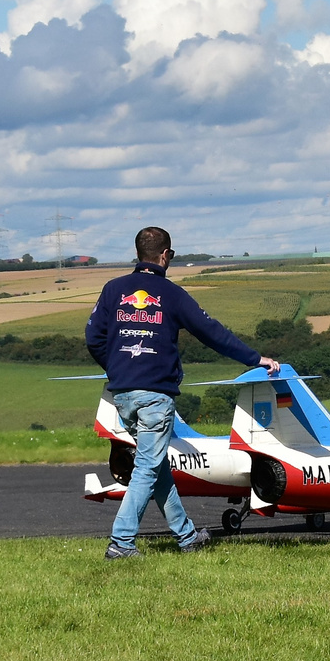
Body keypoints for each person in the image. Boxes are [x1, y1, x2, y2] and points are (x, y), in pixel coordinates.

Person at [85, 226, 280, 559]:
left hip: (123, 396)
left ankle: (187, 537)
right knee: (147, 467)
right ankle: (121, 543)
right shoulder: (171, 294)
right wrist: (255, 359)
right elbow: (212, 332)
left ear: (138, 254)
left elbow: (94, 338)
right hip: (155, 397)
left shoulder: (112, 289)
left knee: (156, 466)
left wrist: (117, 368)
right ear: (165, 255)